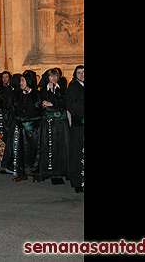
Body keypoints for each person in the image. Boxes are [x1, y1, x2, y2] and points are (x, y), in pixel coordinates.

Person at [39, 69, 70, 184]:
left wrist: (52, 104)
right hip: (49, 122)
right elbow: (43, 105)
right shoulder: (43, 90)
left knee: (63, 146)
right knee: (51, 147)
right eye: (52, 76)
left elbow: (64, 103)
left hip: (61, 123)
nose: (54, 78)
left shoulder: (62, 89)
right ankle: (53, 173)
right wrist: (52, 105)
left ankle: (64, 171)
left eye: (55, 76)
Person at [11, 70, 43, 182]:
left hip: (34, 128)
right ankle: (22, 172)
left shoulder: (36, 94)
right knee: (21, 151)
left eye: (23, 81)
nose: (20, 83)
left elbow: (39, 109)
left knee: (35, 150)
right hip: (21, 128)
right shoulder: (17, 94)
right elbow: (14, 108)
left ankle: (35, 173)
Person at [65, 65, 84, 193]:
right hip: (78, 125)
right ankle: (77, 181)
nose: (82, 74)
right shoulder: (73, 87)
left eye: (83, 72)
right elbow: (72, 105)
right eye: (79, 73)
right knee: (77, 153)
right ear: (75, 75)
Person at [0, 71, 15, 175]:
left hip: (11, 116)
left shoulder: (13, 89)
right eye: (3, 77)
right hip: (2, 116)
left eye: (6, 77)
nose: (4, 79)